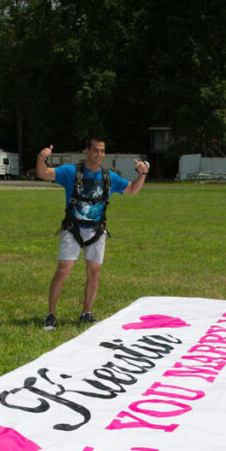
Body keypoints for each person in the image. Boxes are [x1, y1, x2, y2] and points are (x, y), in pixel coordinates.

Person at [36, 138, 149, 330]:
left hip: (96, 231)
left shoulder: (109, 177)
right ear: (86, 151)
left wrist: (142, 174)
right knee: (63, 270)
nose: (100, 155)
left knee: (94, 273)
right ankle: (51, 314)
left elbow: (133, 189)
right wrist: (41, 158)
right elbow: (43, 173)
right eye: (96, 150)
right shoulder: (71, 172)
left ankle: (86, 313)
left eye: (102, 151)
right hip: (73, 229)